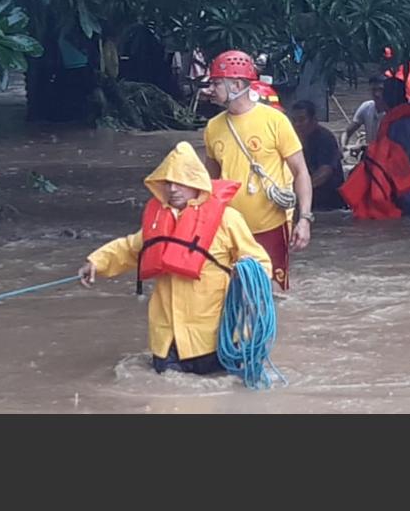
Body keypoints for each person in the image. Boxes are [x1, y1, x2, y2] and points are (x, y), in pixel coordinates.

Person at [77, 142, 272, 376]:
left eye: (180, 182)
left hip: (213, 337)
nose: (173, 189)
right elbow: (129, 249)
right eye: (168, 182)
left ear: (196, 182)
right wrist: (96, 262)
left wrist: (248, 275)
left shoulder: (227, 219)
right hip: (167, 340)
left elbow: (259, 262)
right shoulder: (158, 222)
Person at [202, 50, 313, 291]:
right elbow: (210, 183)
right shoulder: (212, 127)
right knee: (232, 293)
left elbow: (300, 172)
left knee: (273, 294)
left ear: (236, 85)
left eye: (217, 83)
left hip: (270, 226)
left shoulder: (275, 121)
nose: (211, 89)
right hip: (229, 229)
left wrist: (304, 219)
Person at [339, 77, 410, 219]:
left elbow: (389, 163)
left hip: (399, 192)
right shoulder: (409, 123)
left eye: (382, 92)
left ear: (388, 98)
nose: (378, 96)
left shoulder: (398, 126)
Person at [290, 100, 346, 211]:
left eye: (301, 120)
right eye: (294, 120)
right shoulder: (293, 139)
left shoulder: (325, 138)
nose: (297, 125)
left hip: (328, 200)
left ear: (313, 120)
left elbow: (325, 172)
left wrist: (301, 190)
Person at [341, 75, 386, 153]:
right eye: (374, 90)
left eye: (380, 90)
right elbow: (347, 132)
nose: (377, 94)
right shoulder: (366, 107)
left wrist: (362, 147)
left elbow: (386, 144)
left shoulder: (392, 112)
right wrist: (343, 146)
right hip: (370, 153)